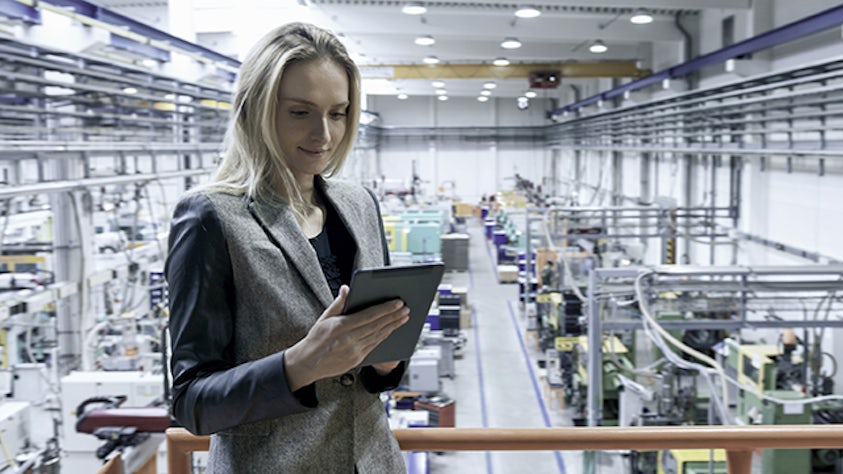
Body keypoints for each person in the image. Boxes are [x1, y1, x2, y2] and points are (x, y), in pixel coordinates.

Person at [165, 22, 408, 473]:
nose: (324, 135)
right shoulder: (211, 218)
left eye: (337, 113)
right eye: (300, 112)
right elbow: (192, 403)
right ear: (256, 109)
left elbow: (367, 378)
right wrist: (299, 365)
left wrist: (386, 360)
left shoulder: (359, 205)